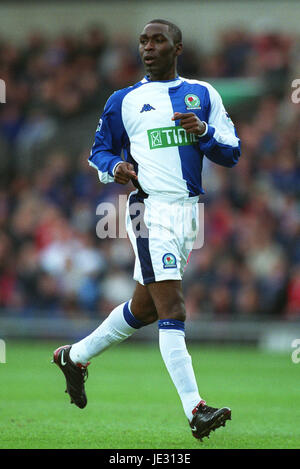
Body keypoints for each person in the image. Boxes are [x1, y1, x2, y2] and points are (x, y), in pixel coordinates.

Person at [52, 19, 240, 441]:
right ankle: (196, 409)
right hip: (148, 211)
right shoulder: (124, 100)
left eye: (158, 40)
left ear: (177, 47)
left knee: (145, 309)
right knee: (172, 309)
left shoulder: (204, 94)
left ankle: (74, 356)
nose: (148, 47)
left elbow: (232, 152)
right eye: (143, 41)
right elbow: (98, 151)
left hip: (189, 215)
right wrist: (114, 166)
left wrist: (204, 132)